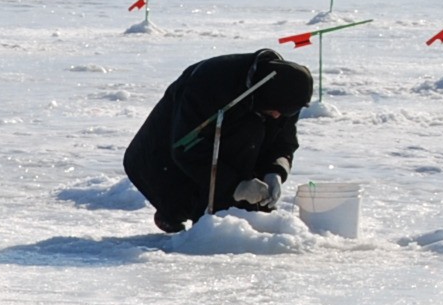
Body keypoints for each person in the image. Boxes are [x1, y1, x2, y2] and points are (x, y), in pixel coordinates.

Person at [121, 48, 315, 233]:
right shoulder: (209, 84)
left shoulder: (285, 91)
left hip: (227, 152)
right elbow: (186, 147)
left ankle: (237, 215)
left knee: (250, 137)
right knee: (189, 199)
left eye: (287, 113)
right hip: (160, 161)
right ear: (265, 95)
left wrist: (275, 171)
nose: (277, 115)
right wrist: (236, 186)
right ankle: (192, 220)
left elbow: (283, 142)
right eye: (277, 110)